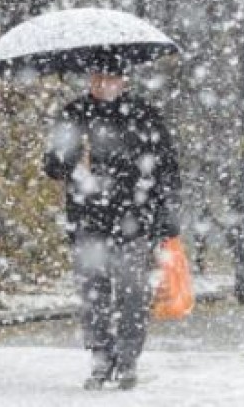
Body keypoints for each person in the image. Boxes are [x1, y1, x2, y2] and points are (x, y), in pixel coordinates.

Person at [43, 69, 182, 390]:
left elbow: (168, 169)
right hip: (88, 221)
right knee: (94, 293)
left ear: (124, 81)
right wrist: (72, 157)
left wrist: (164, 216)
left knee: (134, 291)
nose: (102, 84)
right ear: (89, 79)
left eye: (110, 78)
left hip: (135, 221)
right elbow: (52, 166)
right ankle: (100, 357)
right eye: (96, 78)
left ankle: (128, 356)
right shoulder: (74, 114)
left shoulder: (144, 115)